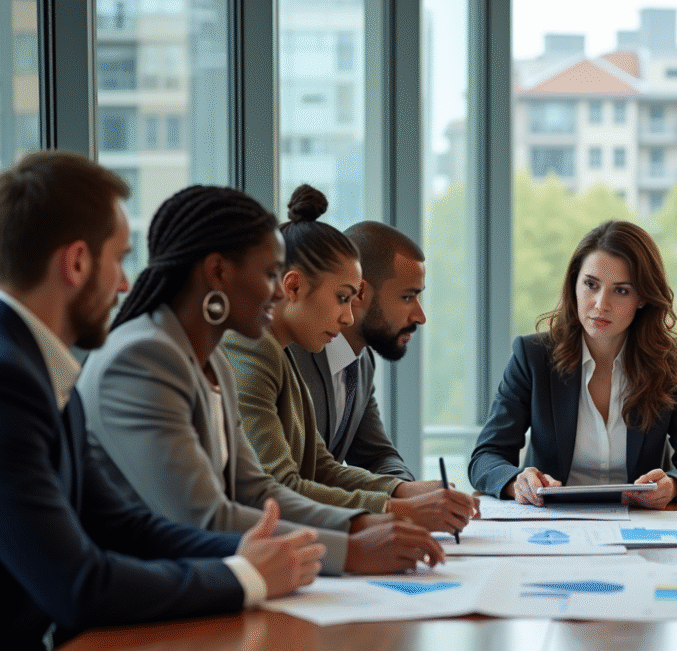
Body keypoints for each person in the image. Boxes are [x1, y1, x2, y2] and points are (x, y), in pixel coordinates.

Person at [0, 151, 325, 651]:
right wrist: (244, 574)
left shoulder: (38, 370)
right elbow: (78, 585)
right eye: (119, 260)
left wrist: (242, 550)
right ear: (76, 262)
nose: (126, 285)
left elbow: (121, 525)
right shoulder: (10, 381)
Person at [78, 183, 444, 576]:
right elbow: (203, 516)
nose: (279, 291)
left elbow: (257, 491)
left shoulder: (212, 363)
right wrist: (351, 548)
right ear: (218, 272)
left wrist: (361, 523)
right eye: (270, 274)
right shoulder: (143, 359)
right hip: (145, 600)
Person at [222, 185, 476, 533]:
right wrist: (397, 509)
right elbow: (279, 485)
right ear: (293, 288)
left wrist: (404, 491)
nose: (347, 317)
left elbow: (323, 465)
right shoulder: (262, 350)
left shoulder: (289, 354)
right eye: (343, 297)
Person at [469, 219, 677, 508]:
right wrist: (516, 483)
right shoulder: (533, 356)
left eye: (621, 290)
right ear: (573, 285)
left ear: (642, 298)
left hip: (640, 523)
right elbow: (485, 457)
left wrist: (674, 485)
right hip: (552, 525)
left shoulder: (673, 359)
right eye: (590, 285)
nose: (601, 304)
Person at [287, 221, 421, 481]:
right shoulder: (289, 355)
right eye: (407, 297)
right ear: (359, 292)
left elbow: (378, 456)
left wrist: (408, 491)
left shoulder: (361, 362)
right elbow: (299, 478)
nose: (420, 316)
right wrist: (396, 499)